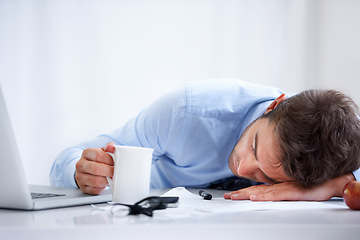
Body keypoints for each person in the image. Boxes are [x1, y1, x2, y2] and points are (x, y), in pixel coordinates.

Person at [50, 79, 360, 201]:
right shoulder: (186, 113)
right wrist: (80, 172)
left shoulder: (328, 147)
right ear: (273, 106)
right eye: (253, 145)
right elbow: (69, 157)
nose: (243, 168)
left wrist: (331, 186)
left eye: (265, 175)